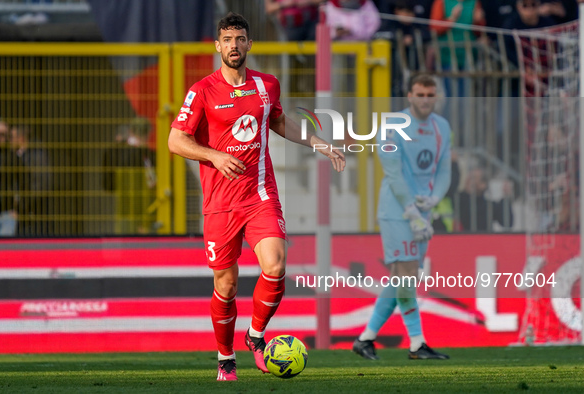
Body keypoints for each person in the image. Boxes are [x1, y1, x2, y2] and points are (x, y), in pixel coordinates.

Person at [168, 13, 345, 381]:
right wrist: (214, 155)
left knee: (276, 265)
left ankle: (256, 336)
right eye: (227, 39)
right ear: (218, 45)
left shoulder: (267, 85)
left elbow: (278, 120)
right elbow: (175, 140)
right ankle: (225, 358)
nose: (234, 45)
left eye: (240, 39)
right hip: (219, 203)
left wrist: (318, 142)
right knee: (226, 285)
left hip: (259, 194)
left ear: (249, 44)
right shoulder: (201, 91)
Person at [353, 74, 451, 360]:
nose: (425, 100)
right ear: (409, 96)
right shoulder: (393, 125)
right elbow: (392, 172)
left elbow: (444, 170)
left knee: (402, 278)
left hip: (423, 212)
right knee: (406, 277)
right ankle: (417, 343)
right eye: (419, 94)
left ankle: (365, 339)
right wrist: (411, 212)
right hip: (397, 212)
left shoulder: (442, 127)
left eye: (430, 95)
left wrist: (434, 199)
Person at [102, 117, 156, 234]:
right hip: (147, 204)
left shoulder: (116, 152)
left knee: (126, 238)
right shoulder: (149, 155)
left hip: (124, 206)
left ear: (130, 131)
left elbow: (108, 184)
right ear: (148, 134)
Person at [11, 124, 51, 236]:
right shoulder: (16, 156)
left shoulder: (36, 156)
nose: (10, 141)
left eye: (12, 137)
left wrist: (21, 206)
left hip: (32, 214)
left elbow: (41, 184)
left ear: (21, 138)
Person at [0, 117, 22, 237]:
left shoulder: (14, 159)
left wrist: (18, 209)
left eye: (2, 134)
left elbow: (22, 185)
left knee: (4, 251)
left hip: (7, 214)